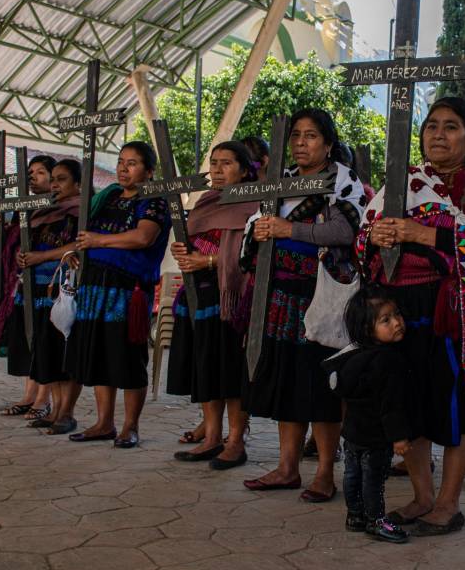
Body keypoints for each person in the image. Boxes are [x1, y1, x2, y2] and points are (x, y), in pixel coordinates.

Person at [357, 96, 465, 535]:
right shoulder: (404, 179)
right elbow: (365, 232)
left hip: (450, 312)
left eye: (450, 126)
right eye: (431, 126)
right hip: (400, 310)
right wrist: (376, 235)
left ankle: (448, 502)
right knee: (407, 403)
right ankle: (423, 496)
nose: (438, 135)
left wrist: (422, 232)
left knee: (453, 404)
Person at [241, 108, 364, 502]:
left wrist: (287, 229)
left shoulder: (343, 181)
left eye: (310, 136)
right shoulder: (281, 183)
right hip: (280, 298)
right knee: (287, 383)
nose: (300, 142)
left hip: (322, 297)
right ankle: (287, 467)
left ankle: (326, 472)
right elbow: (256, 229)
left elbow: (345, 230)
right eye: (296, 135)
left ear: (328, 143)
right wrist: (259, 232)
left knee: (320, 387)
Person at [65, 141, 171, 449]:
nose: (124, 168)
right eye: (122, 161)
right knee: (99, 354)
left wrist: (98, 240)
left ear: (149, 171)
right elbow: (84, 234)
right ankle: (103, 422)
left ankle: (130, 426)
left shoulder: (153, 200)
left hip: (127, 289)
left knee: (125, 357)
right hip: (95, 284)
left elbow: (142, 237)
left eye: (133, 163)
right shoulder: (107, 196)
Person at [169, 141, 257, 469]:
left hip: (229, 297)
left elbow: (252, 253)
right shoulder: (206, 201)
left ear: (245, 169)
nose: (218, 170)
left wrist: (206, 260)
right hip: (198, 296)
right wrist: (184, 254)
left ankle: (235, 442)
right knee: (205, 367)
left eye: (227, 164)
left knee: (229, 371)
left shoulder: (254, 203)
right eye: (214, 163)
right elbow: (191, 240)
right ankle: (211, 438)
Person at [327, 284, 412, 544]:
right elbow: (391, 404)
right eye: (386, 320)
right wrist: (399, 438)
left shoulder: (353, 357)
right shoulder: (390, 361)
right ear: (367, 329)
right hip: (376, 437)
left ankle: (355, 516)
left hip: (352, 433)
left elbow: (337, 386)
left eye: (397, 314)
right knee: (373, 481)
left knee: (352, 475)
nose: (397, 322)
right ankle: (376, 520)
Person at [17, 159, 81, 435]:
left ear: (78, 183)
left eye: (62, 179)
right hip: (41, 286)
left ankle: (66, 412)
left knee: (63, 351)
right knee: (47, 350)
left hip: (64, 287)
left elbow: (79, 245)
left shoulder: (82, 210)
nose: (55, 184)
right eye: (53, 179)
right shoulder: (43, 211)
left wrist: (42, 255)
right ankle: (54, 409)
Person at [0, 155, 56, 419]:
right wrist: (0, 227)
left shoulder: (61, 206)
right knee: (30, 340)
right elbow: (13, 239)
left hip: (51, 283)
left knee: (45, 342)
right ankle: (29, 395)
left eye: (41, 172)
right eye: (30, 172)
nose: (33, 177)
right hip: (25, 281)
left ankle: (44, 399)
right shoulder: (25, 207)